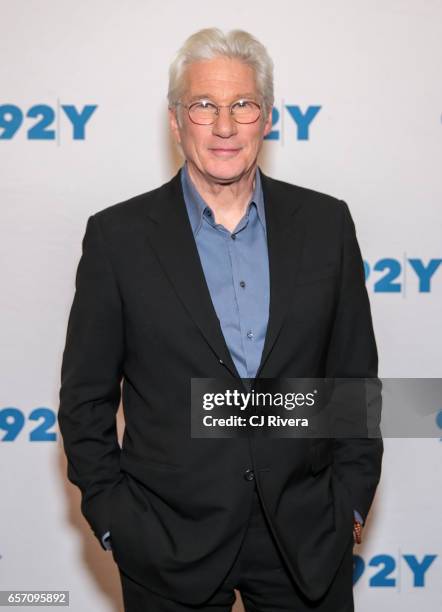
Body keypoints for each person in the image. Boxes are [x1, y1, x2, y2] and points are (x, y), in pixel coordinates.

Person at [58, 27, 383, 612]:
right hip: (167, 539)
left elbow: (354, 383)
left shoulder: (326, 226)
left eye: (243, 105)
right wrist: (115, 520)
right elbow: (85, 400)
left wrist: (350, 504)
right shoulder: (117, 238)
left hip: (306, 537)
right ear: (176, 119)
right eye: (204, 105)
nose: (225, 126)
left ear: (268, 117)